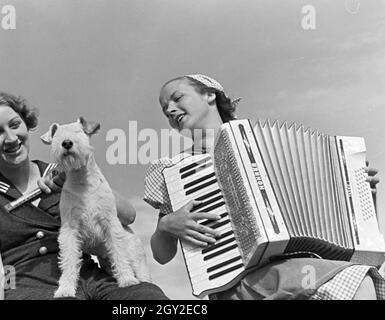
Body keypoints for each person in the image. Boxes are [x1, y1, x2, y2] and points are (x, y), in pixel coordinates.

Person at [144, 74, 385, 300]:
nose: (170, 109)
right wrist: (166, 226)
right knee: (359, 281)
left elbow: (358, 244)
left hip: (301, 264)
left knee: (363, 277)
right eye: (165, 109)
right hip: (239, 280)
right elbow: (161, 255)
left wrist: (361, 193)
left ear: (209, 95)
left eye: (177, 98)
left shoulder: (262, 145)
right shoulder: (177, 170)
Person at [0, 91, 169, 300]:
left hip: (91, 279)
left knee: (148, 297)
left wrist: (78, 177)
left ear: (26, 124)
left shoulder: (67, 171)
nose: (11, 138)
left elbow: (128, 216)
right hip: (24, 285)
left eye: (15, 125)